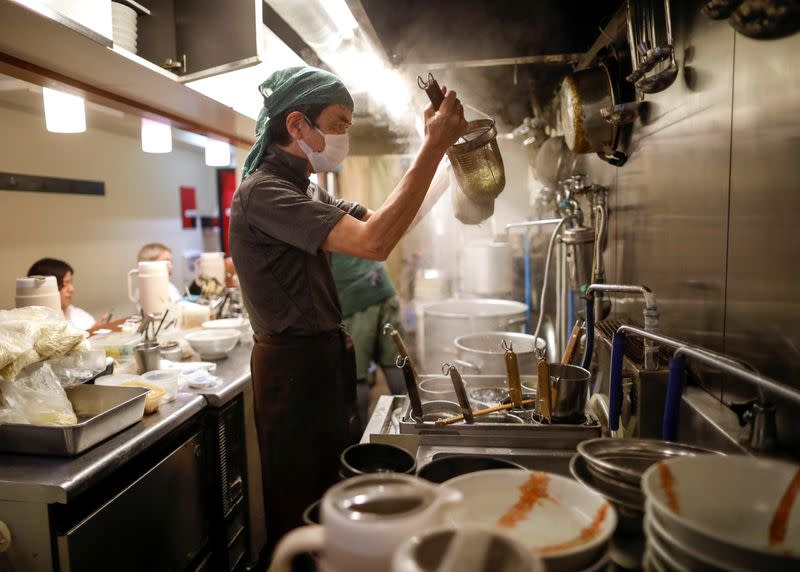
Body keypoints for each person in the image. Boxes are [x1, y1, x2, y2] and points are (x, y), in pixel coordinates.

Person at [228, 65, 466, 560]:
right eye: (338, 122)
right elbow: (375, 243)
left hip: (321, 363)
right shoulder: (265, 193)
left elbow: (385, 222)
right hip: (292, 372)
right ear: (296, 126)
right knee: (301, 506)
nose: (344, 135)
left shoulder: (307, 189)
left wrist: (445, 166)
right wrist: (434, 148)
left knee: (329, 499)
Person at [331, 253, 406, 428]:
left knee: (356, 376)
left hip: (355, 298)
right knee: (395, 364)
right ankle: (414, 428)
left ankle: (359, 445)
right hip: (383, 287)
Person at [27, 258, 97, 329]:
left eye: (70, 282)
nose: (71, 289)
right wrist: (91, 332)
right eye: (65, 283)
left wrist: (97, 329)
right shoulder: (26, 323)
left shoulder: (78, 314)